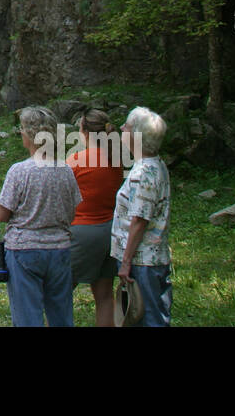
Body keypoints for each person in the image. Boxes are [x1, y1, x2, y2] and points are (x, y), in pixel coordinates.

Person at [0, 106, 82, 327]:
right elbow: (72, 211)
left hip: (24, 250)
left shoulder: (19, 171)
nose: (21, 133)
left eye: (23, 129)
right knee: (61, 314)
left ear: (30, 135)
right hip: (59, 249)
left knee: (27, 317)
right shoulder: (66, 170)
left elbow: (1, 214)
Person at [112, 106, 172, 326]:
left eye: (126, 126)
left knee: (149, 318)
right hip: (151, 258)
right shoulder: (156, 164)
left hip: (142, 260)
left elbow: (139, 220)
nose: (121, 128)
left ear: (136, 135)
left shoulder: (143, 173)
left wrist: (126, 262)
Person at [66, 109, 125, 326]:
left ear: (84, 131)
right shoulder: (115, 159)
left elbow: (64, 196)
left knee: (59, 293)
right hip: (109, 231)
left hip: (81, 231)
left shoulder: (76, 160)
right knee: (104, 296)